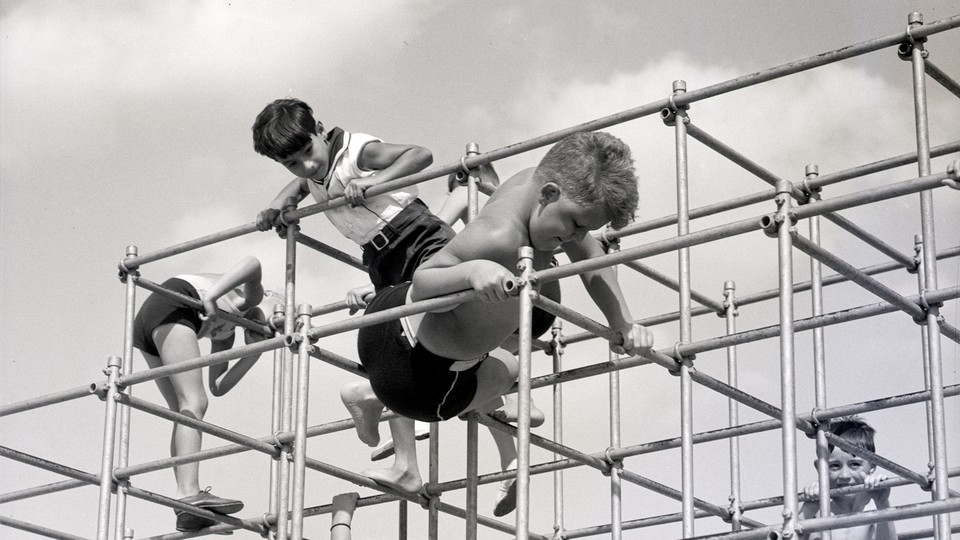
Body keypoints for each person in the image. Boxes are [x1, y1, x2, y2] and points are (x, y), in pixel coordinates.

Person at [342, 131, 654, 516]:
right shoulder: (499, 236)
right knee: (509, 368)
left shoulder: (534, 182)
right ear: (550, 193)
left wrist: (622, 322)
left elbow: (592, 264)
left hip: (388, 327)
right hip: (417, 383)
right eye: (574, 224)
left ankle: (373, 394)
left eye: (585, 228)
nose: (575, 237)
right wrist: (472, 272)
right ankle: (377, 395)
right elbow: (425, 280)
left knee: (498, 357)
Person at [132, 255, 277, 532]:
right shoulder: (248, 300)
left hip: (154, 320)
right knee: (193, 402)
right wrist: (212, 296)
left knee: (184, 410)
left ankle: (185, 503)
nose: (268, 325)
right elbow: (252, 263)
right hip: (174, 303)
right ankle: (189, 493)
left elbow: (218, 385)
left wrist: (256, 351)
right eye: (275, 317)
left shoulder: (227, 331)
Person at [798, 416, 896, 540]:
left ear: (873, 465)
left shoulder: (873, 504)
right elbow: (789, 536)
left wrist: (883, 503)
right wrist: (808, 509)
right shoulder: (817, 505)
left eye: (855, 464)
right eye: (835, 466)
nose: (845, 475)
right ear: (819, 468)